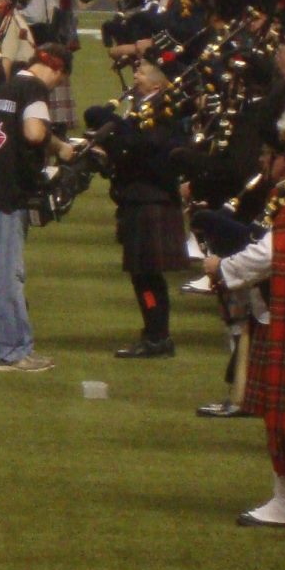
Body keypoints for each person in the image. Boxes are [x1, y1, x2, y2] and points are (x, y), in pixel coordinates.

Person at [207, 73, 285, 527]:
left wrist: (224, 270)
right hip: (284, 309)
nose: (262, 160)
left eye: (268, 153)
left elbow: (277, 251)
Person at [88, 47, 192, 359]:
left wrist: (117, 135)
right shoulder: (144, 107)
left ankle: (157, 335)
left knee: (146, 274)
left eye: (143, 72)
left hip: (151, 200)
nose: (136, 76)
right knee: (143, 274)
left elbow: (146, 148)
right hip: (141, 198)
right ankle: (154, 333)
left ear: (158, 84)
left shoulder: (163, 111)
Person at [0, 46, 66, 374]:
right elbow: (33, 132)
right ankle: (11, 351)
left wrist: (60, 147)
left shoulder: (8, 86)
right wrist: (53, 145)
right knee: (9, 275)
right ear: (57, 71)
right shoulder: (35, 89)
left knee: (6, 272)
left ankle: (12, 347)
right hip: (10, 193)